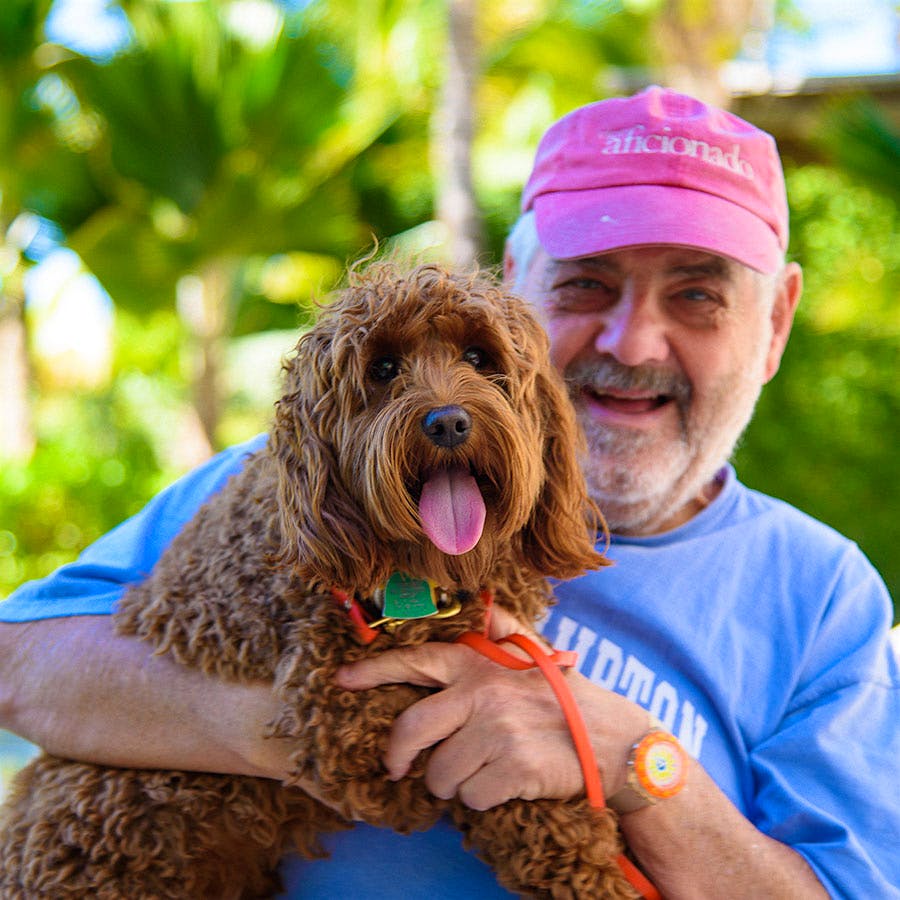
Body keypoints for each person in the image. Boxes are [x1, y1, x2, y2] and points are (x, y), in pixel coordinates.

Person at [1, 86, 898, 898]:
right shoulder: (301, 475)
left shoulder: (820, 597)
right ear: (513, 285)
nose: (633, 344)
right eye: (586, 282)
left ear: (775, 321)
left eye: (698, 295)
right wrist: (312, 725)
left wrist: (631, 760)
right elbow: (20, 665)